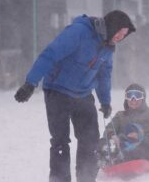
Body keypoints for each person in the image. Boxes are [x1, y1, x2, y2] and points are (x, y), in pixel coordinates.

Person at [14, 10, 135, 182]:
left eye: (124, 36)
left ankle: (86, 178)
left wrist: (105, 101)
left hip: (83, 94)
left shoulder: (108, 47)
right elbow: (50, 54)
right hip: (58, 91)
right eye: (119, 33)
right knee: (60, 141)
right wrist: (30, 83)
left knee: (91, 140)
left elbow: (104, 75)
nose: (120, 38)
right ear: (112, 26)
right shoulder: (78, 32)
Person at [98, 83, 149, 167]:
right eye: (130, 96)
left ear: (143, 98)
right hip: (123, 146)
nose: (133, 100)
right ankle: (106, 158)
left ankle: (120, 158)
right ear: (126, 99)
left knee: (138, 149)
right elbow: (109, 128)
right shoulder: (121, 116)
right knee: (100, 143)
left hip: (146, 147)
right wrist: (112, 136)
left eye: (137, 95)